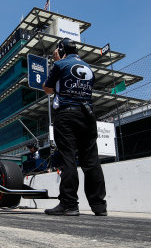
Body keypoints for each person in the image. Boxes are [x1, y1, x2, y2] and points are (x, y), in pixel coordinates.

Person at [42, 38, 108, 216]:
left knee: (68, 158)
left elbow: (47, 89)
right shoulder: (88, 68)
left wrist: (56, 63)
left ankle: (69, 204)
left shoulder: (60, 64)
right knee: (91, 161)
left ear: (61, 51)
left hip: (67, 115)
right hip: (88, 115)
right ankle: (99, 206)